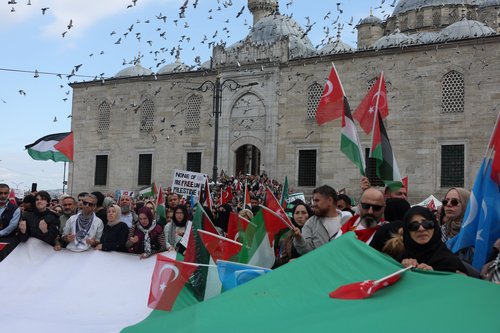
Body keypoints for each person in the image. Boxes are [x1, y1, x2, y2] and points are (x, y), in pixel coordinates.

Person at [399, 206, 466, 274]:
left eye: (427, 224)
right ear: (407, 231)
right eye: (413, 226)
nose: (421, 229)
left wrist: (434, 275)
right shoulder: (400, 259)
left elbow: (463, 282)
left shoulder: (449, 261)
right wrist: (400, 269)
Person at [293, 185, 351, 255]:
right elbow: (307, 253)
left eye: (317, 200)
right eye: (313, 201)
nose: (313, 204)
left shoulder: (348, 220)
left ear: (329, 200)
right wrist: (299, 239)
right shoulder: (310, 223)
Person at [274, 200, 313, 267]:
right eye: (297, 213)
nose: (300, 216)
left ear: (309, 214)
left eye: (303, 212)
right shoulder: (287, 235)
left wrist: (299, 261)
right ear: (293, 215)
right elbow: (282, 258)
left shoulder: (314, 232)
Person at [0, 184, 21, 261]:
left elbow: (12, 227)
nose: (3, 195)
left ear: (8, 194)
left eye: (5, 193)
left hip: (6, 243)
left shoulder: (15, 210)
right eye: (0, 193)